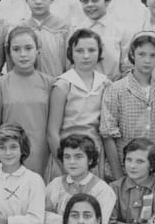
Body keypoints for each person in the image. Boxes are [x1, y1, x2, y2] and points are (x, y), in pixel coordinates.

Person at [100, 31, 155, 180]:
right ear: (132, 54)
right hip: (123, 169)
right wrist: (119, 177)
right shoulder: (116, 89)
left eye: (153, 55)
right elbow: (108, 135)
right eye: (141, 54)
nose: (147, 60)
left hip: (152, 172)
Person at [0, 26, 53, 179]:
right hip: (10, 155)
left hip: (42, 155)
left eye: (28, 48)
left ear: (38, 50)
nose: (23, 54)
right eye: (16, 49)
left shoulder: (50, 83)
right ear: (9, 52)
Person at [46, 28, 110, 180]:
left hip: (94, 154)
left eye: (91, 50)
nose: (86, 56)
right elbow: (52, 132)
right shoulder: (63, 84)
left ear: (99, 52)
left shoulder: (105, 84)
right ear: (71, 53)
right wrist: (65, 165)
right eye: (79, 51)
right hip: (68, 154)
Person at [42, 134, 116, 224]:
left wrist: (58, 223)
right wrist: (75, 223)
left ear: (90, 160)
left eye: (78, 156)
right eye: (67, 157)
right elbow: (41, 219)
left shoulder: (103, 190)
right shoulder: (55, 184)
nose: (72, 162)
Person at [16, 0, 72, 78]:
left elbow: (70, 65)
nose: (38, 1)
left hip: (57, 85)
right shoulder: (20, 30)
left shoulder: (64, 29)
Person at [76, 0, 130, 81]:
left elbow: (128, 68)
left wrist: (117, 87)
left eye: (95, 0)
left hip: (114, 86)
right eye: (85, 1)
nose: (90, 5)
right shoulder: (76, 31)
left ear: (107, 1)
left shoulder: (121, 31)